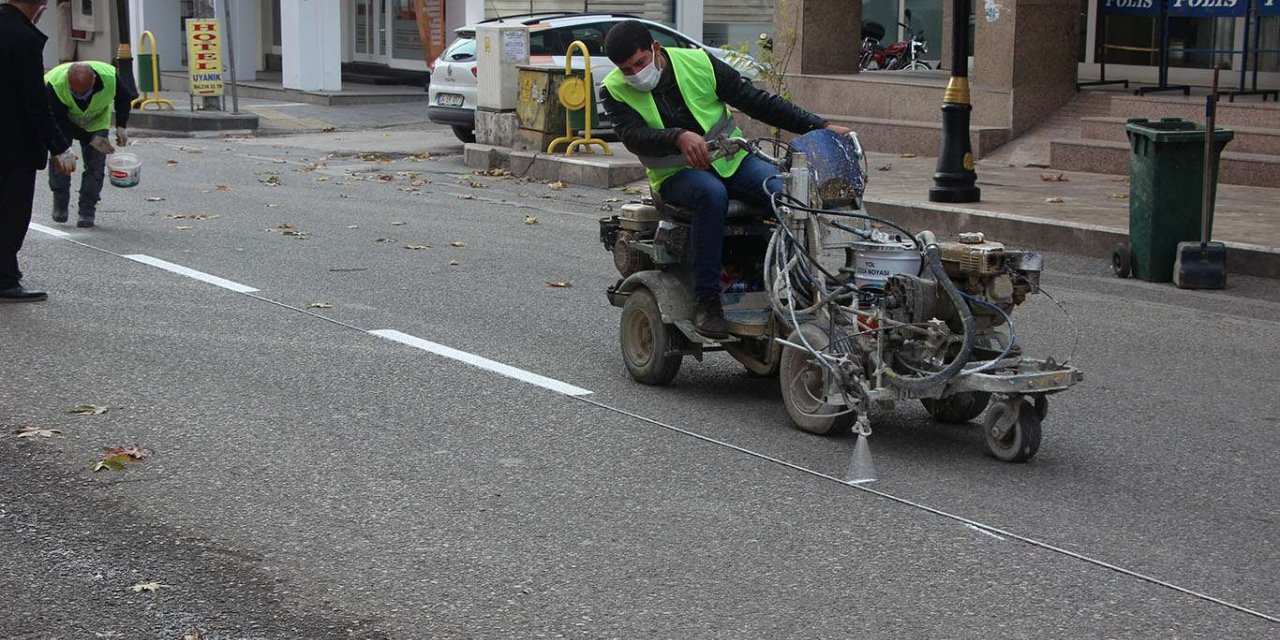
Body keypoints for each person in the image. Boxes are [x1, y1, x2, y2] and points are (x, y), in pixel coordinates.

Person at [600, 20, 850, 338]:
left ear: (655, 48)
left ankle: (804, 287)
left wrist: (819, 126)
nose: (636, 74)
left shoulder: (699, 62)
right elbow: (633, 137)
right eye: (627, 70)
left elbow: (755, 100)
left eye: (640, 63)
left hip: (733, 160)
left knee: (784, 193)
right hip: (675, 176)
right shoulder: (612, 90)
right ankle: (707, 301)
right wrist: (677, 137)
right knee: (711, 194)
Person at [0, 0, 75, 303]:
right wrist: (60, 146)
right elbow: (35, 103)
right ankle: (5, 280)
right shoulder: (23, 39)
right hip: (12, 144)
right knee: (11, 214)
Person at [45, 60, 134, 228]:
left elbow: (124, 98)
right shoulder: (54, 84)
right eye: (75, 92)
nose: (81, 96)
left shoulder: (110, 77)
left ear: (94, 79)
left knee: (95, 166)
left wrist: (121, 126)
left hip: (96, 120)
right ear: (68, 81)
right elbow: (59, 120)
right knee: (61, 161)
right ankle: (60, 199)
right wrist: (90, 139)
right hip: (63, 121)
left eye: (85, 92)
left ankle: (87, 210)